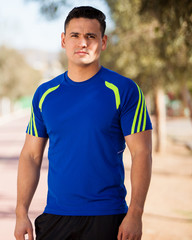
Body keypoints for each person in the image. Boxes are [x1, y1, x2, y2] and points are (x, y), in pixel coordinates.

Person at [14, 6, 153, 240]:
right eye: (75, 35)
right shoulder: (44, 94)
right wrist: (21, 212)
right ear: (63, 40)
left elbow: (142, 153)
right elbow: (31, 155)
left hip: (108, 217)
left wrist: (135, 213)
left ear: (103, 41)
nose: (83, 43)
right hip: (56, 217)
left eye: (91, 36)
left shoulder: (125, 90)